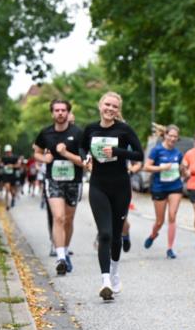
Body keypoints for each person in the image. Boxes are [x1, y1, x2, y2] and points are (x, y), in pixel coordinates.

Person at [83, 92, 144, 300]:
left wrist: (118, 151)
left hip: (120, 187)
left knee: (117, 235)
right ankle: (105, 280)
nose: (110, 109)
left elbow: (139, 155)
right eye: (107, 105)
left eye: (114, 106)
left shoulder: (124, 130)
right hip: (98, 186)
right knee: (105, 234)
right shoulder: (91, 129)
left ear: (118, 110)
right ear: (100, 105)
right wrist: (86, 157)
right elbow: (83, 147)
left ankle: (115, 272)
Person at [34, 99, 86, 276]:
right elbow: (36, 151)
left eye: (63, 110)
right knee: (58, 217)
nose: (60, 113)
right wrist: (44, 159)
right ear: (52, 113)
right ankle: (61, 257)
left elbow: (84, 161)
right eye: (57, 110)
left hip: (73, 181)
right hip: (53, 180)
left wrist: (65, 153)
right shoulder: (45, 133)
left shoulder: (78, 133)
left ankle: (65, 249)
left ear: (68, 112)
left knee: (69, 220)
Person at [143, 124, 185, 259]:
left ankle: (170, 248)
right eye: (170, 135)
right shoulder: (157, 150)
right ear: (165, 135)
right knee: (160, 221)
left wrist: (184, 169)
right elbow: (146, 167)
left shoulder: (178, 154)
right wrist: (161, 168)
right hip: (159, 187)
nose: (172, 138)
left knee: (172, 216)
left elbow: (184, 172)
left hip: (175, 186)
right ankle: (153, 234)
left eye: (175, 136)